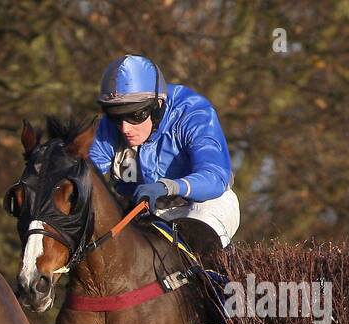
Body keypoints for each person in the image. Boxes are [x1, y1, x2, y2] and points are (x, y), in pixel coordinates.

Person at [88, 54, 239, 256]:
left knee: (196, 239)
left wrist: (168, 187)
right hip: (144, 210)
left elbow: (215, 175)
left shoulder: (193, 112)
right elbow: (85, 174)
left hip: (201, 205)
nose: (125, 128)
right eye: (116, 116)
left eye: (135, 115)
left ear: (158, 104)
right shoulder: (109, 128)